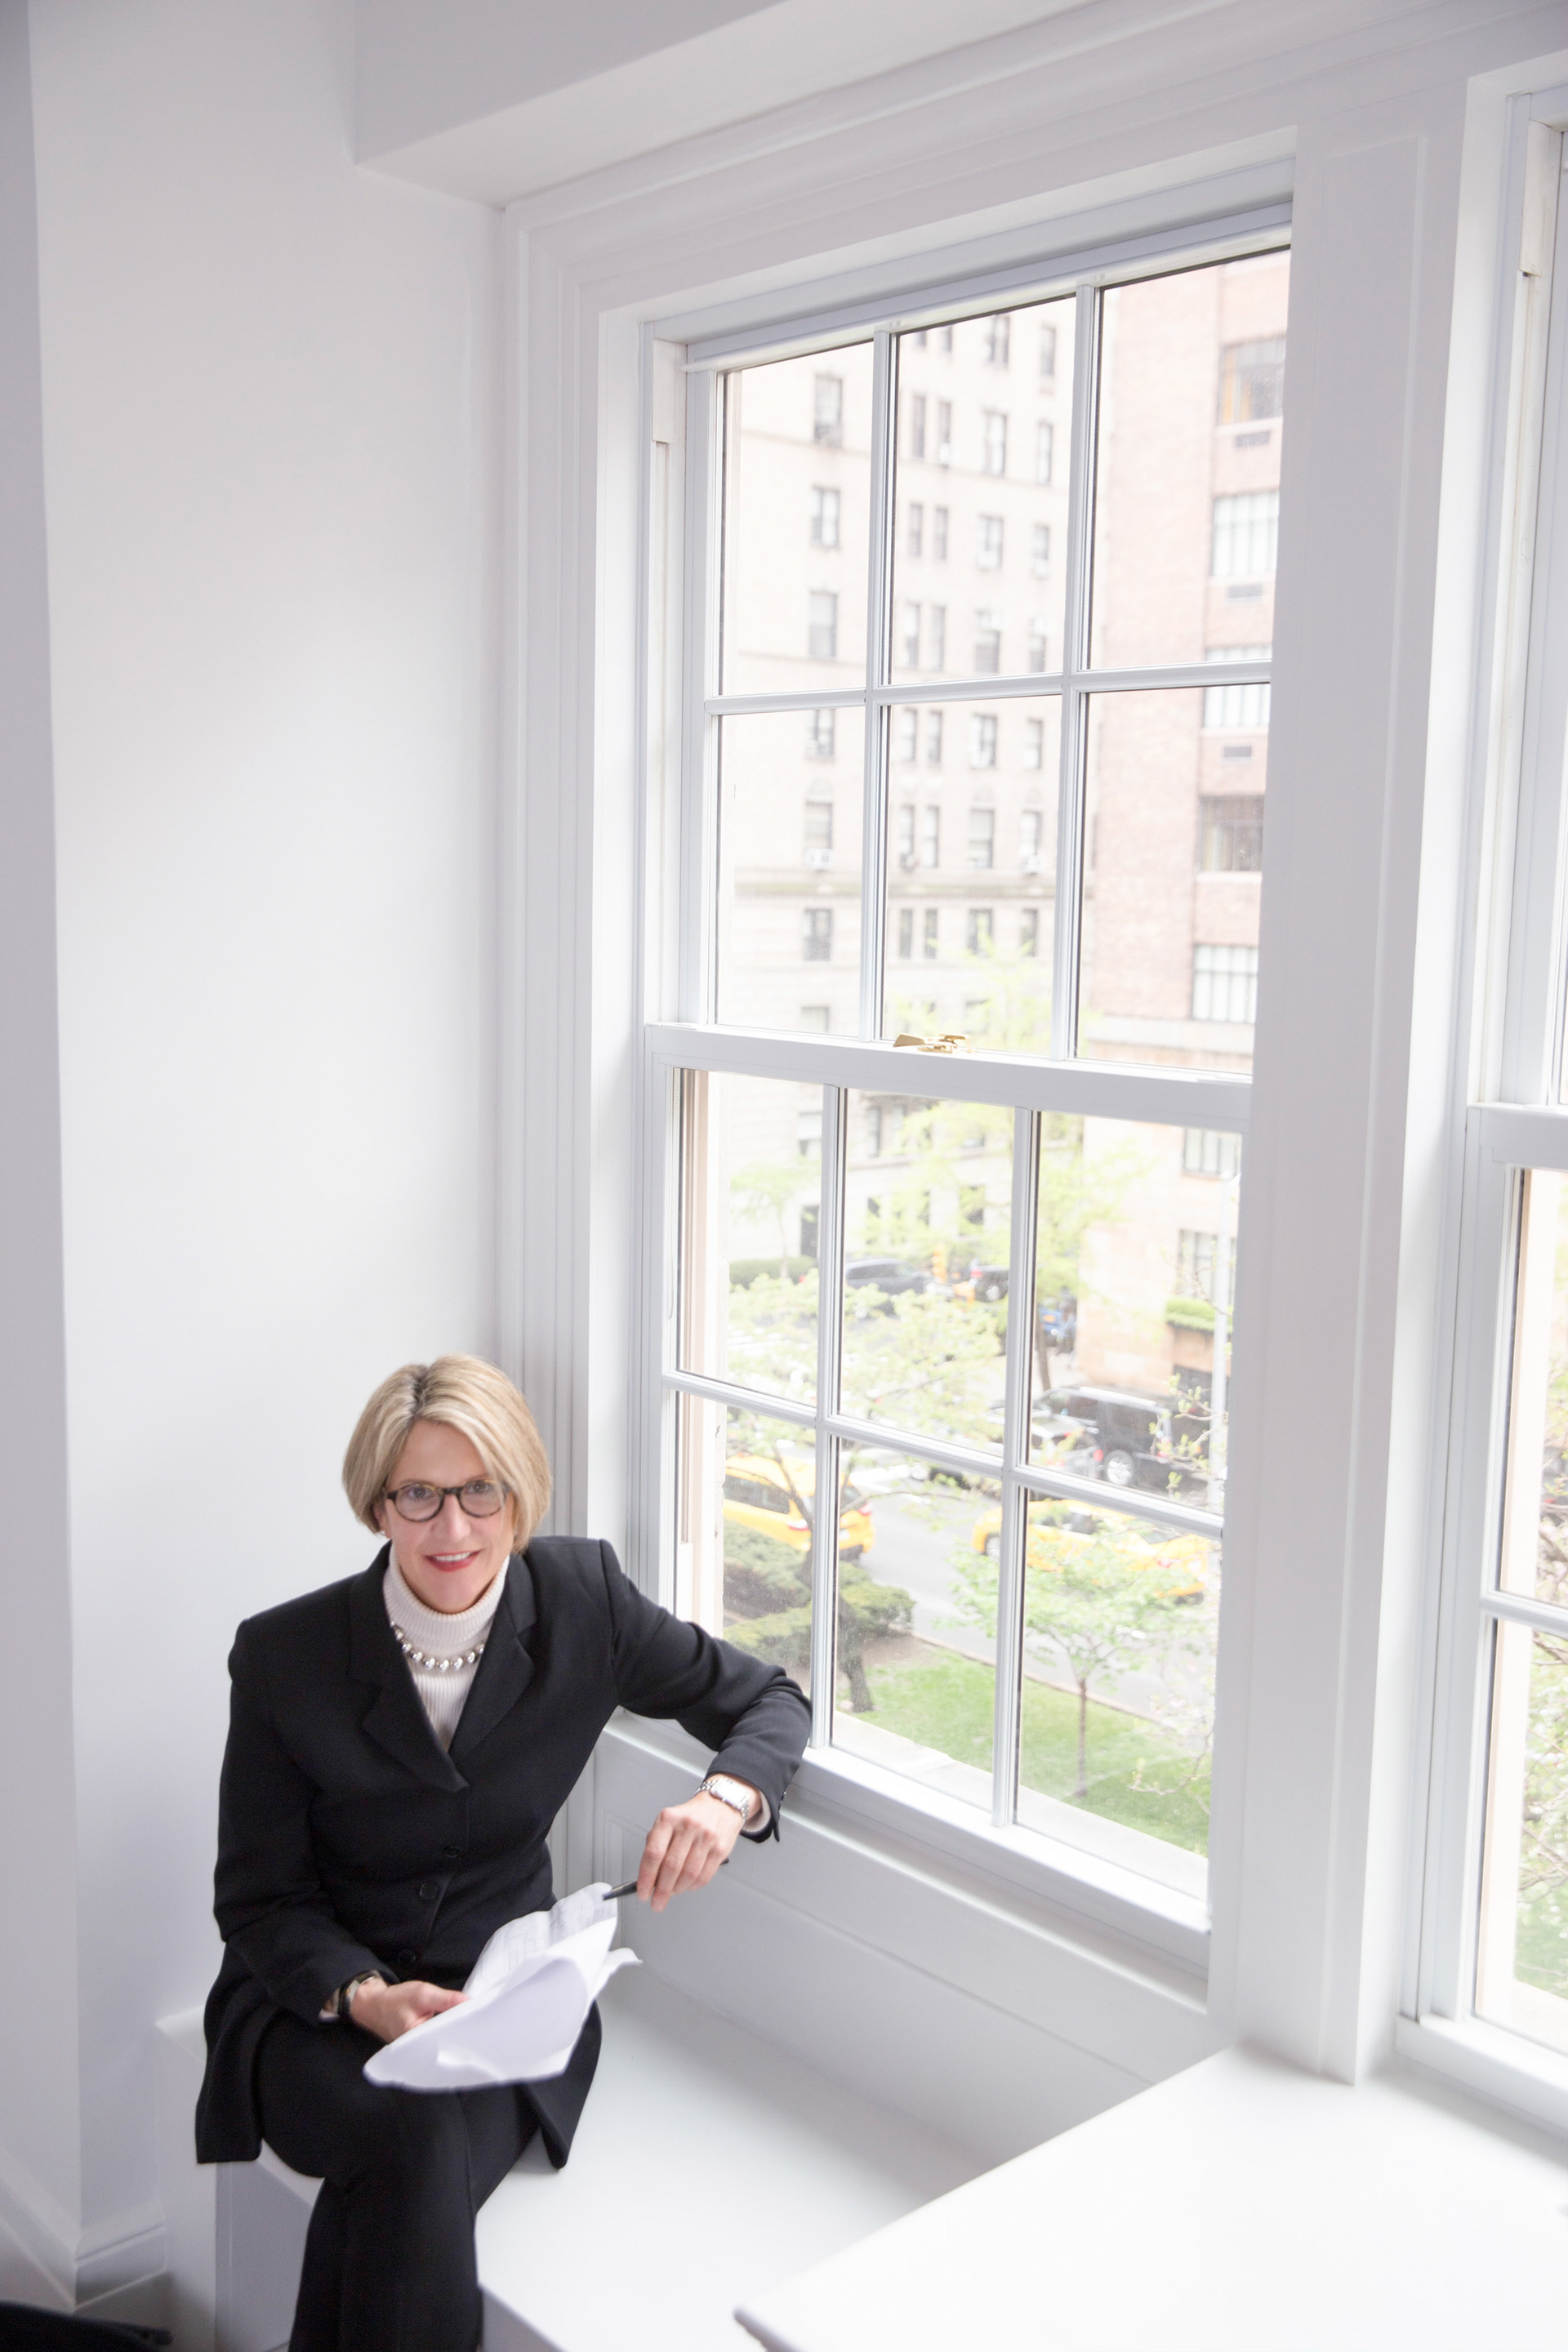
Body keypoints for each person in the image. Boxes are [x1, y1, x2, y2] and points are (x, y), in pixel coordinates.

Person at [195, 1356, 810, 2352]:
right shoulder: (284, 1657)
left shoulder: (586, 1602)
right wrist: (366, 1997)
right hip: (310, 2013)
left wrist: (725, 1799)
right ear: (377, 1504)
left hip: (508, 2006)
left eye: (481, 1491)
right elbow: (258, 1902)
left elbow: (768, 1699)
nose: (454, 1530)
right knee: (411, 2144)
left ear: (518, 1492)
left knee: (400, 2182)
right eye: (420, 1495)